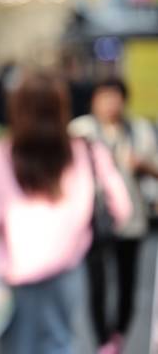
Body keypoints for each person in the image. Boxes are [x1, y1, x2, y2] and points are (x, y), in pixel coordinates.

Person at [0, 72, 132, 354]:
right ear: (63, 107)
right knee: (61, 343)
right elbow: (122, 209)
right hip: (70, 271)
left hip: (15, 275)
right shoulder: (86, 150)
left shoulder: (1, 153)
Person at [70, 78, 158, 353]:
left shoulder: (139, 130)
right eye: (104, 96)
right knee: (97, 283)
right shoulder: (80, 130)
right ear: (93, 100)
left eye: (115, 96)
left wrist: (141, 165)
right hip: (93, 221)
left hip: (132, 220)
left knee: (127, 284)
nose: (110, 103)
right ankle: (103, 340)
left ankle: (118, 334)